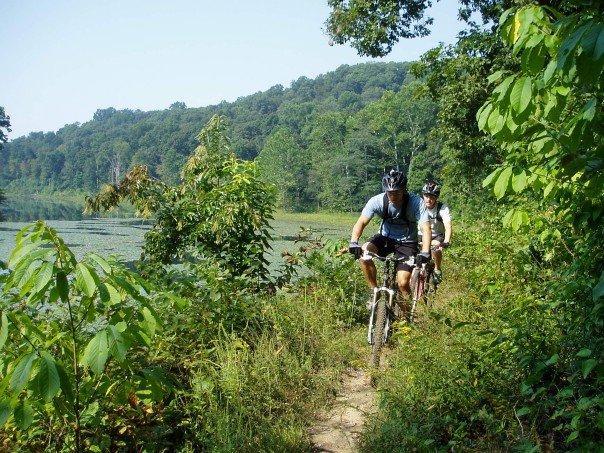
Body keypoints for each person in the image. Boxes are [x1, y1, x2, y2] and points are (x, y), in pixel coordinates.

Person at [348, 169, 431, 305]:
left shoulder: (416, 203)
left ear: (404, 190)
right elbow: (361, 222)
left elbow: (425, 228)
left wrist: (425, 251)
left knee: (403, 283)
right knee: (364, 255)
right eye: (389, 192)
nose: (393, 196)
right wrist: (353, 242)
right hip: (385, 238)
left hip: (407, 242)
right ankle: (375, 291)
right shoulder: (377, 201)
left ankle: (406, 315)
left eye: (397, 192)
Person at [419, 180, 452, 282]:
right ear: (423, 196)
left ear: (436, 198)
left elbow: (448, 226)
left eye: (432, 197)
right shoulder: (418, 206)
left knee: (436, 248)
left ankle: (437, 268)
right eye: (426, 196)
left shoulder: (442, 208)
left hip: (437, 235)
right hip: (421, 234)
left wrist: (446, 241)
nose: (428, 200)